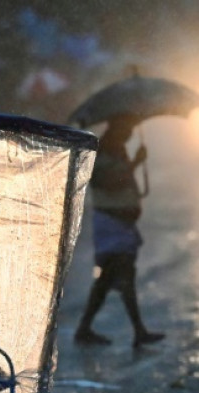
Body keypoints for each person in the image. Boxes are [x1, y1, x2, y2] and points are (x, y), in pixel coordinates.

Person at [74, 115, 164, 348]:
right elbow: (106, 181)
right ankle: (138, 331)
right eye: (127, 130)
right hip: (112, 224)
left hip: (120, 225)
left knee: (106, 281)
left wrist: (135, 162)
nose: (130, 134)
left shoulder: (117, 150)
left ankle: (86, 328)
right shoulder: (103, 153)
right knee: (124, 276)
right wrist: (134, 163)